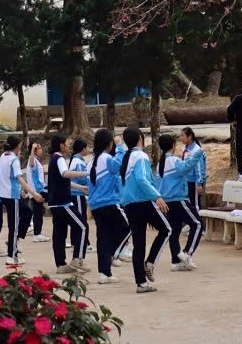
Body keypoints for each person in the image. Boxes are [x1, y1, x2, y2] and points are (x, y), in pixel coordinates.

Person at [119, 126, 170, 294]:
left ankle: (141, 283)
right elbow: (142, 179)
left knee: (138, 244)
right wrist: (157, 196)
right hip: (143, 201)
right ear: (140, 138)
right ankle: (150, 262)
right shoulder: (140, 155)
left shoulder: (127, 158)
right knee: (167, 229)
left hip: (129, 205)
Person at [154, 134, 203, 272]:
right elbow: (186, 167)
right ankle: (187, 253)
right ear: (173, 146)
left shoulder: (160, 164)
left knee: (174, 230)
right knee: (198, 224)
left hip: (167, 201)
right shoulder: (173, 160)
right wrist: (197, 154)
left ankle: (176, 261)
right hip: (178, 199)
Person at [88, 128, 131, 284]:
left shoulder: (92, 161)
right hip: (109, 202)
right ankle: (114, 254)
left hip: (96, 205)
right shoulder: (105, 158)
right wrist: (119, 147)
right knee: (129, 225)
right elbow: (118, 165)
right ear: (109, 144)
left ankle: (104, 273)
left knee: (103, 237)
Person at [46, 134, 91, 274]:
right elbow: (65, 173)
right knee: (83, 226)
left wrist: (80, 188)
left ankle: (61, 265)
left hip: (54, 203)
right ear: (61, 145)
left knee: (59, 234)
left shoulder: (53, 159)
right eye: (66, 143)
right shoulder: (58, 158)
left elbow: (63, 179)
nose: (68, 146)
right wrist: (85, 173)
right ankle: (77, 258)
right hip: (63, 202)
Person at [0, 135, 42, 267]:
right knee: (14, 225)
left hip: (6, 194)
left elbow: (8, 177)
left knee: (27, 212)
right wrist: (33, 193)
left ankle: (15, 242)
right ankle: (12, 255)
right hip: (11, 196)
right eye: (20, 145)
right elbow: (19, 178)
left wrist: (21, 191)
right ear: (17, 146)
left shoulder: (3, 156)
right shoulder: (13, 159)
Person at [68, 138, 92, 257]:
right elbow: (80, 178)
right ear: (83, 149)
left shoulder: (77, 160)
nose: (88, 149)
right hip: (77, 193)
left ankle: (77, 242)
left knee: (78, 219)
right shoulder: (78, 162)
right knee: (81, 219)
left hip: (78, 193)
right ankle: (84, 243)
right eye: (87, 147)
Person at [180, 127, 207, 211]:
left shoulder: (196, 150)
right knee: (189, 203)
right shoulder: (185, 148)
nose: (181, 138)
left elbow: (199, 168)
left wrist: (199, 183)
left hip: (195, 181)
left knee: (195, 205)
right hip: (187, 180)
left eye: (182, 135)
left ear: (190, 136)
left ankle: (199, 222)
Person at [27, 143, 48, 242]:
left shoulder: (36, 160)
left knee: (38, 212)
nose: (41, 150)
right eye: (39, 148)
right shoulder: (33, 160)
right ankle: (37, 234)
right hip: (38, 190)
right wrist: (32, 149)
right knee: (38, 213)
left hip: (39, 189)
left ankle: (37, 233)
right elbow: (31, 163)